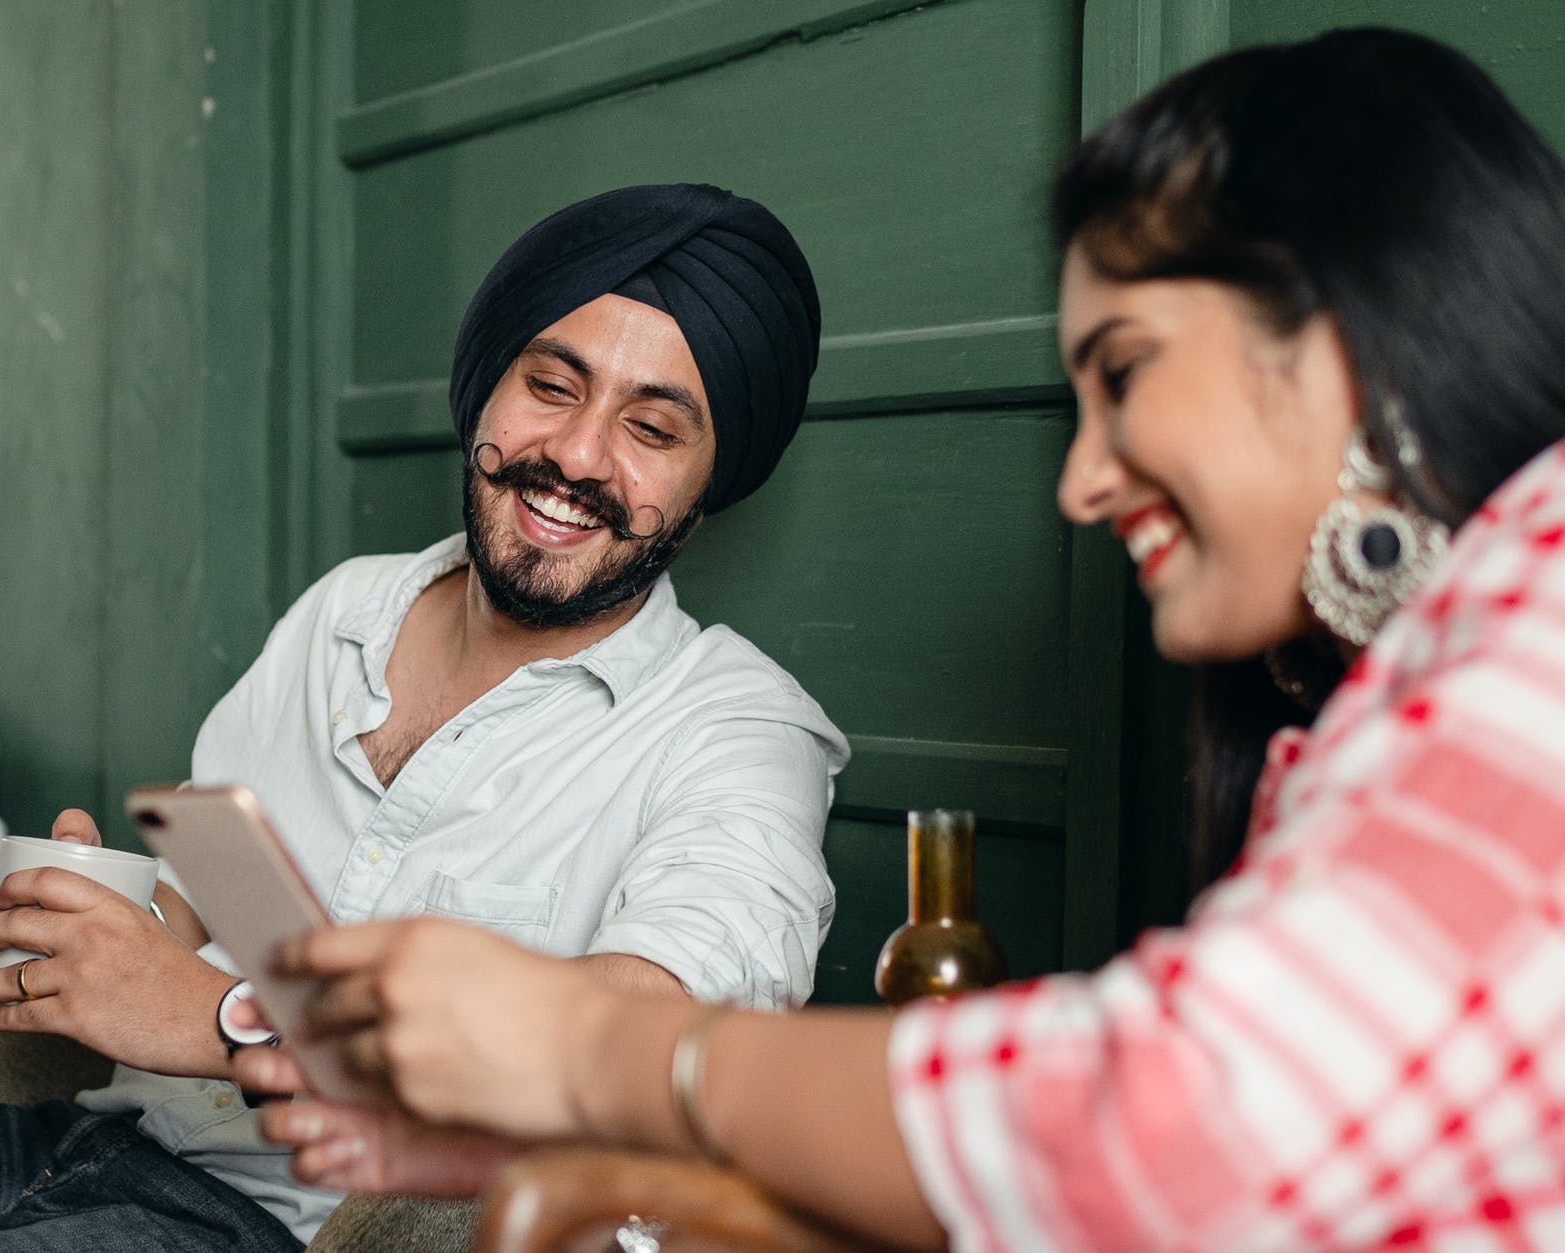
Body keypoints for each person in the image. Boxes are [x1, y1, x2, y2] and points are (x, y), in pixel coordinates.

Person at [233, 28, 1565, 1251]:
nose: (1083, 480)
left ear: (1351, 339)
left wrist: (589, 1049)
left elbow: (1180, 1116)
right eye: (552, 385)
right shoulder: (1422, 684)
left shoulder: (1544, 621)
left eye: (1124, 374)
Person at [0, 183, 847, 1251]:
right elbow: (227, 897)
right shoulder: (348, 607)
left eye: (652, 428)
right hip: (71, 1149)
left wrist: (223, 1026)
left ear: (706, 483)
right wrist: (100, 919)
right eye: (550, 384)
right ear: (488, 383)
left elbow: (643, 1037)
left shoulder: (738, 735)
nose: (575, 455)